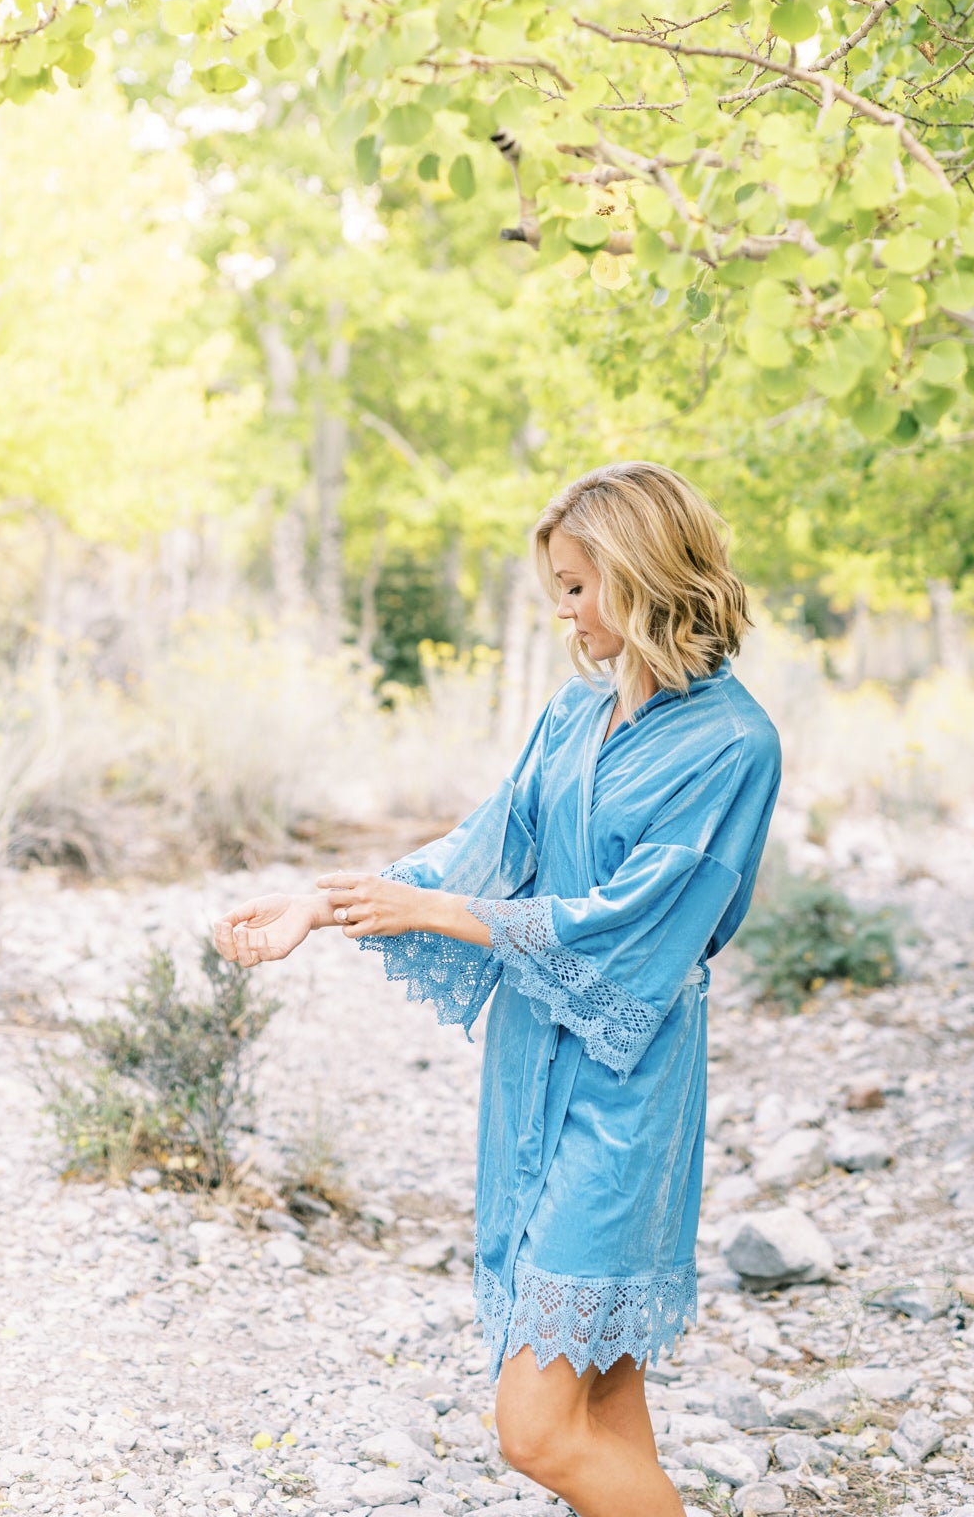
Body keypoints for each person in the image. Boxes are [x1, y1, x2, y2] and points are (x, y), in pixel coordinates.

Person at [214, 462, 781, 1517]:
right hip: (531, 1057)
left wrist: (431, 913)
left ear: (645, 571)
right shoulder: (571, 718)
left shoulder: (733, 743)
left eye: (576, 585)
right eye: (556, 585)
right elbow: (477, 850)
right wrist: (320, 902)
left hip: (628, 1076)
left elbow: (638, 922)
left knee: (530, 1426)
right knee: (600, 1388)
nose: (561, 610)